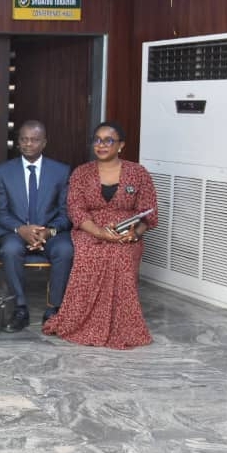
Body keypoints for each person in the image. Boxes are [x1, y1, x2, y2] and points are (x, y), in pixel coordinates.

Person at [44, 122, 157, 350]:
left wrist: (135, 234)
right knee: (90, 255)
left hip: (127, 232)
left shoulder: (138, 173)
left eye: (108, 140)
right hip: (90, 230)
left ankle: (122, 326)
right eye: (97, 140)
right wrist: (100, 232)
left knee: (121, 256)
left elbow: (149, 212)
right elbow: (76, 209)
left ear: (121, 145)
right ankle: (81, 322)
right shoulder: (81, 173)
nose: (101, 145)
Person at [0, 120, 74, 332]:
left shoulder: (61, 171)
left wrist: (48, 231)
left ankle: (54, 309)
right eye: (24, 139)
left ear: (44, 143)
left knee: (65, 249)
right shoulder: (3, 171)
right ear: (18, 142)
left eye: (34, 140)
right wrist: (21, 230)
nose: (28, 144)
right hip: (16, 232)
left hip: (50, 232)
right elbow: (0, 212)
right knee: (10, 250)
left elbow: (65, 212)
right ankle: (20, 308)